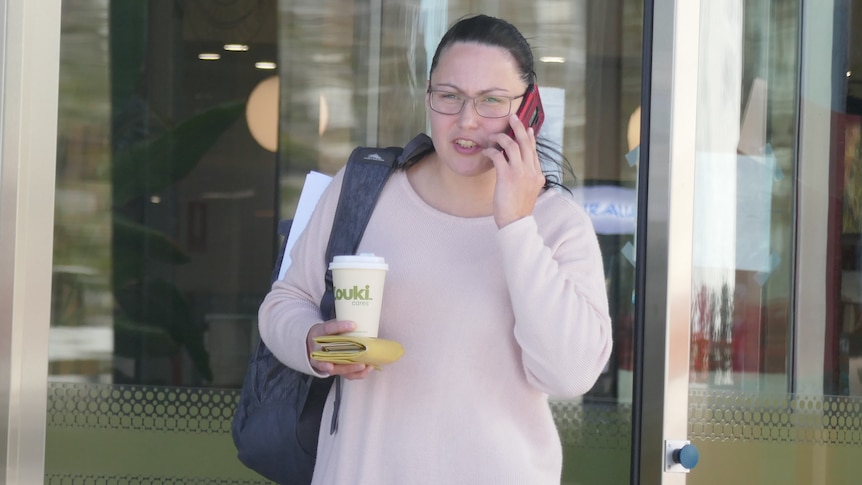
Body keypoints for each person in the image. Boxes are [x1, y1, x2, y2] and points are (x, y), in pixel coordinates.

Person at [258, 14, 612, 485]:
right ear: (428, 97)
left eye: (491, 101)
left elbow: (570, 373)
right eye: (449, 97)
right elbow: (284, 303)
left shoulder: (556, 225)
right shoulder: (364, 191)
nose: (466, 120)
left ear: (527, 109)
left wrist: (515, 223)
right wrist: (315, 344)